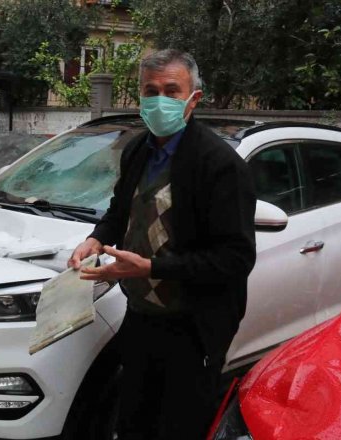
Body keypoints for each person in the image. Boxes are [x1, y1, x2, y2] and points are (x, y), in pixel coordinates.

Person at [69, 49, 257, 439]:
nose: (160, 100)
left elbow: (235, 258)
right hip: (140, 317)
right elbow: (119, 211)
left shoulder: (220, 165)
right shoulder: (138, 150)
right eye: (150, 91)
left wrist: (152, 268)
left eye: (172, 91)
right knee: (133, 420)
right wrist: (95, 238)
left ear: (194, 99)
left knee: (179, 427)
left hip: (193, 328)